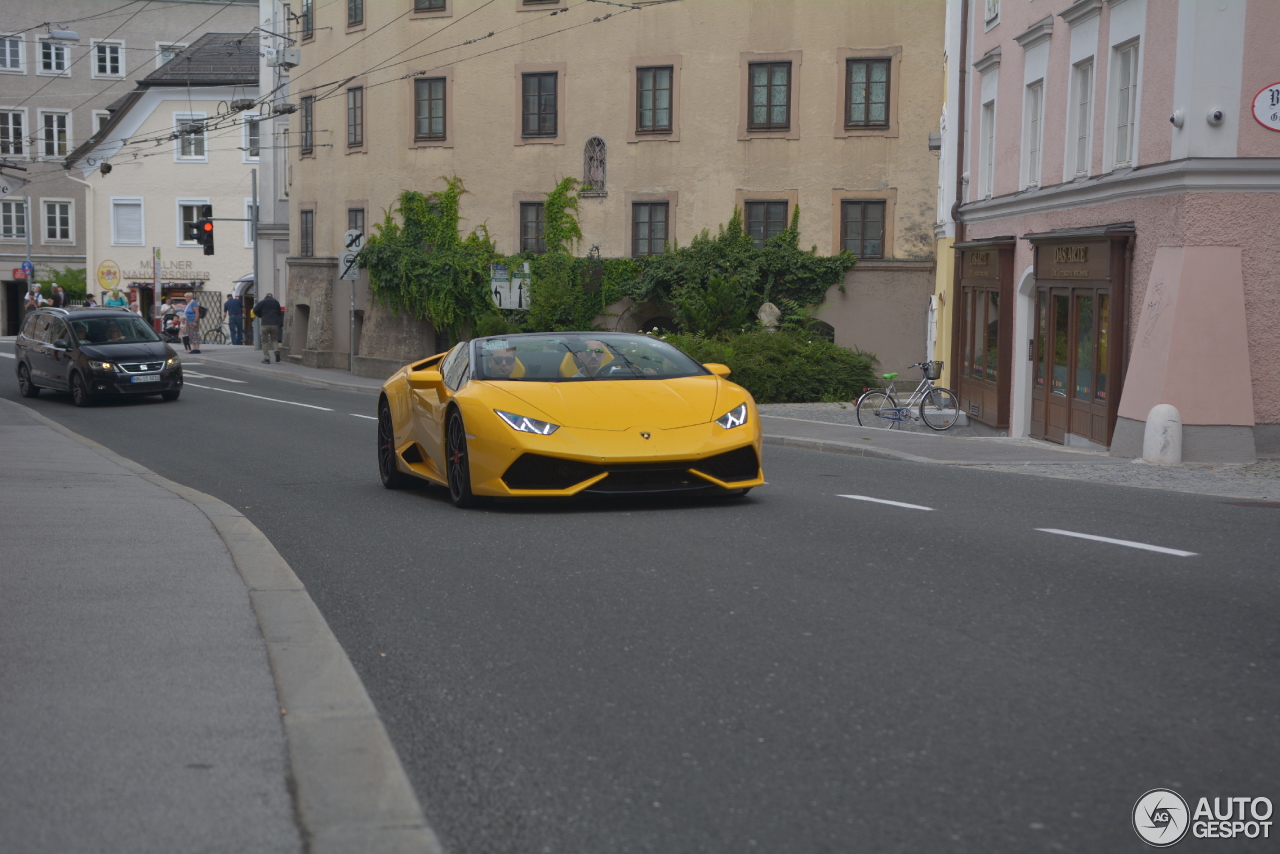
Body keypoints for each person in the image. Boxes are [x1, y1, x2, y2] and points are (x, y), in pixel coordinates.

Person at [252, 292, 283, 363]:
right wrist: (280, 323)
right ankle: (276, 350)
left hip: (265, 323)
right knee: (274, 339)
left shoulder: (262, 302)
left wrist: (260, 315)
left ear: (266, 296)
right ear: (272, 296)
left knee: (264, 341)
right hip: (275, 323)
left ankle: (267, 358)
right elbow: (279, 313)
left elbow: (255, 310)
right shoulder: (276, 302)